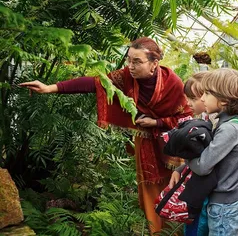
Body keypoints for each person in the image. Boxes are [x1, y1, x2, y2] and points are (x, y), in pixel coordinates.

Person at [19, 37, 192, 234]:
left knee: (175, 188)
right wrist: (51, 87)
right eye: (129, 60)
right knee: (149, 192)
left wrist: (157, 122)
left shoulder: (173, 83)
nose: (131, 66)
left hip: (174, 146)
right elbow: (96, 83)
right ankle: (157, 233)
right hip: (145, 143)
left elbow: (186, 118)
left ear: (154, 64)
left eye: (137, 62)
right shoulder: (127, 77)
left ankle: (177, 232)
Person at [185, 68, 238, 236]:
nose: (202, 98)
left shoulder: (229, 129)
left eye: (207, 93)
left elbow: (202, 166)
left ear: (224, 101)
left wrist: (186, 156)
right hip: (223, 204)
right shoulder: (226, 123)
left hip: (225, 208)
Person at [167, 71, 211, 236]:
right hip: (197, 187)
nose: (188, 103)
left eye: (193, 99)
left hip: (205, 191)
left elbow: (204, 163)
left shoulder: (217, 126)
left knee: (199, 227)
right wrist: (180, 169)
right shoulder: (204, 120)